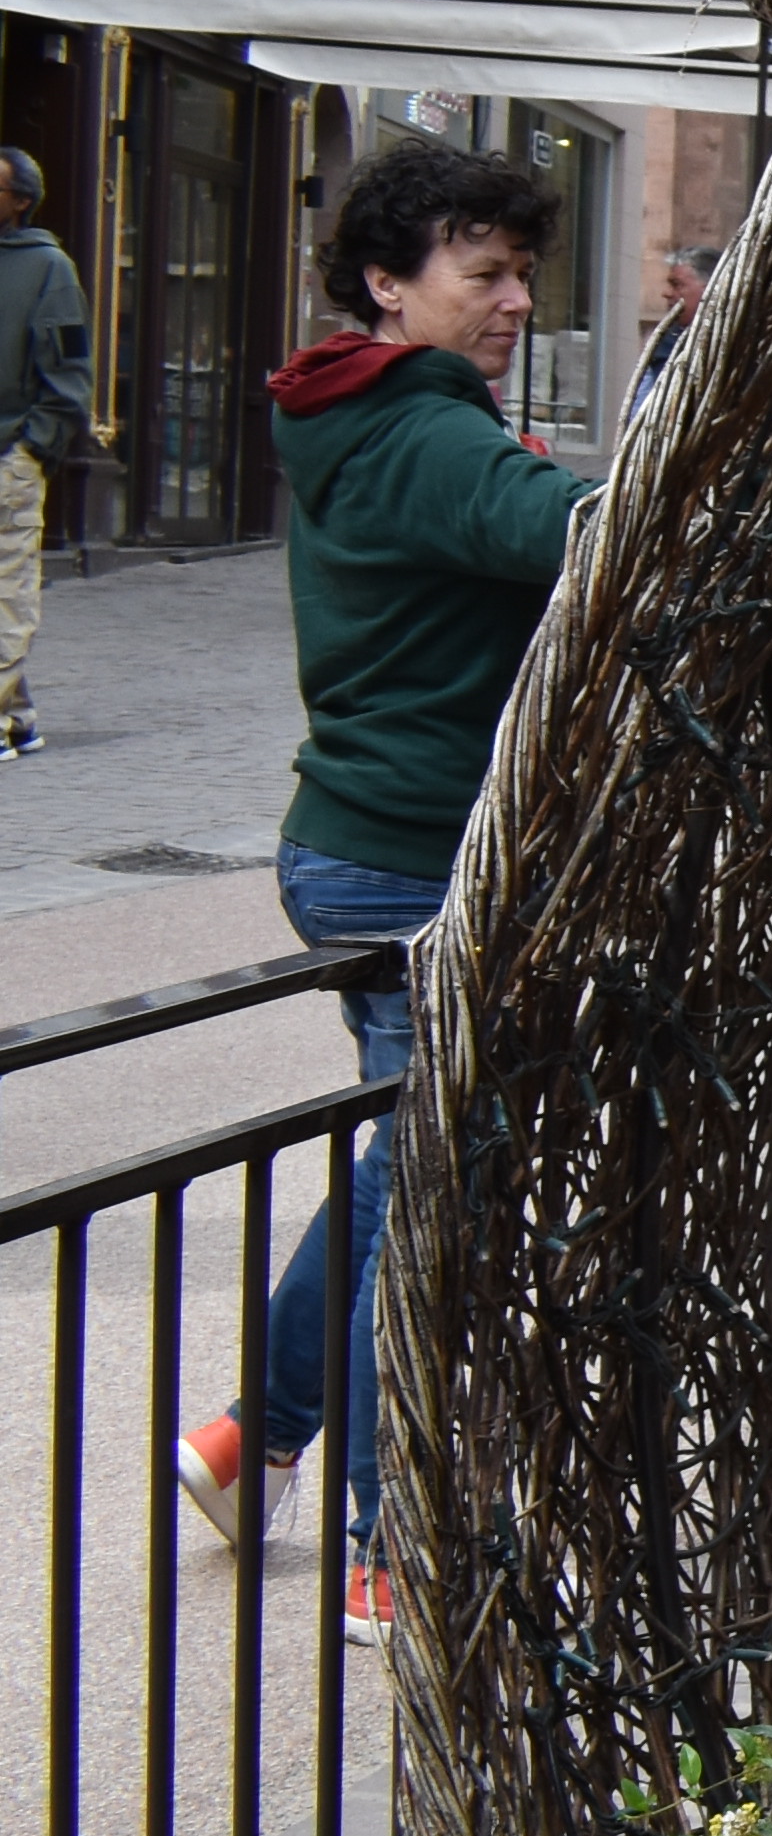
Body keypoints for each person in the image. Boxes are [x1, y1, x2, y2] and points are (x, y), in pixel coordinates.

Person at [170, 140, 589, 1612]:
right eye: (483, 271)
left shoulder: (368, 413)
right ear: (386, 282)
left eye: (523, 270)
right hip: (410, 867)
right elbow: (576, 539)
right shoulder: (423, 434)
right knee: (433, 1204)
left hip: (358, 844)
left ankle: (254, 1436)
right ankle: (387, 1541)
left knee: (402, 1168)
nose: (515, 298)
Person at [0, 145, 85, 763]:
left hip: (8, 454)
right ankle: (18, 715)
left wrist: (32, 448)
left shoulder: (47, 267)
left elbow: (68, 367)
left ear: (20, 202)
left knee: (7, 590)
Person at [625, 243, 719, 424]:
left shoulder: (739, 348)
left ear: (710, 289)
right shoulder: (665, 346)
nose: (667, 294)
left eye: (677, 285)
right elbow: (639, 417)